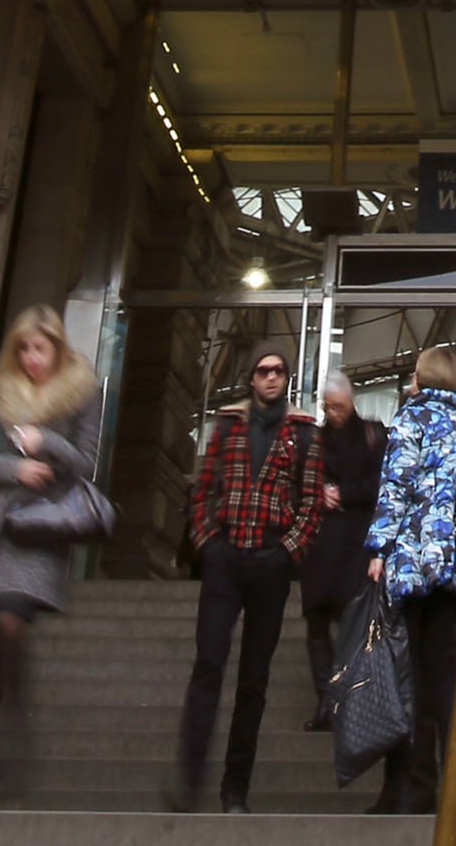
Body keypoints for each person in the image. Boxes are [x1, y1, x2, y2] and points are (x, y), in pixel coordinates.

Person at [0, 306, 105, 811]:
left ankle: (18, 708)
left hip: (42, 528)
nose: (32, 359)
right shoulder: (2, 393)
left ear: (58, 350)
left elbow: (86, 461)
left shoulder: (82, 392)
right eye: (24, 349)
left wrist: (47, 441)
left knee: (10, 624)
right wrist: (17, 468)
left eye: (41, 349)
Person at [171, 345, 320, 811]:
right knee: (208, 664)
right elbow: (203, 485)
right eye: (263, 370)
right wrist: (207, 540)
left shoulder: (305, 433)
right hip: (226, 556)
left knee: (254, 679)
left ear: (286, 378)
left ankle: (235, 788)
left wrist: (289, 551)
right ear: (251, 377)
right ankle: (189, 778)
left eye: (279, 371)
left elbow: (312, 501)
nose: (272, 378)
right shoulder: (228, 424)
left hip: (270, 562)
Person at [365, 346, 456, 815]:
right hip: (450, 569)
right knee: (449, 682)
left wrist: (378, 549)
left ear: (421, 378)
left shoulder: (408, 423)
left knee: (411, 680)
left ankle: (419, 789)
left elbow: (393, 489)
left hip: (410, 566)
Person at [300, 375, 385, 729]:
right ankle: (327, 702)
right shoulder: (314, 441)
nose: (332, 413)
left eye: (337, 406)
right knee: (317, 623)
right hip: (320, 547)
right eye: (326, 406)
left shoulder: (372, 435)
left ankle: (343, 701)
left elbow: (382, 484)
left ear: (350, 402)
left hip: (355, 545)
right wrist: (319, 493)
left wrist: (343, 494)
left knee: (351, 625)